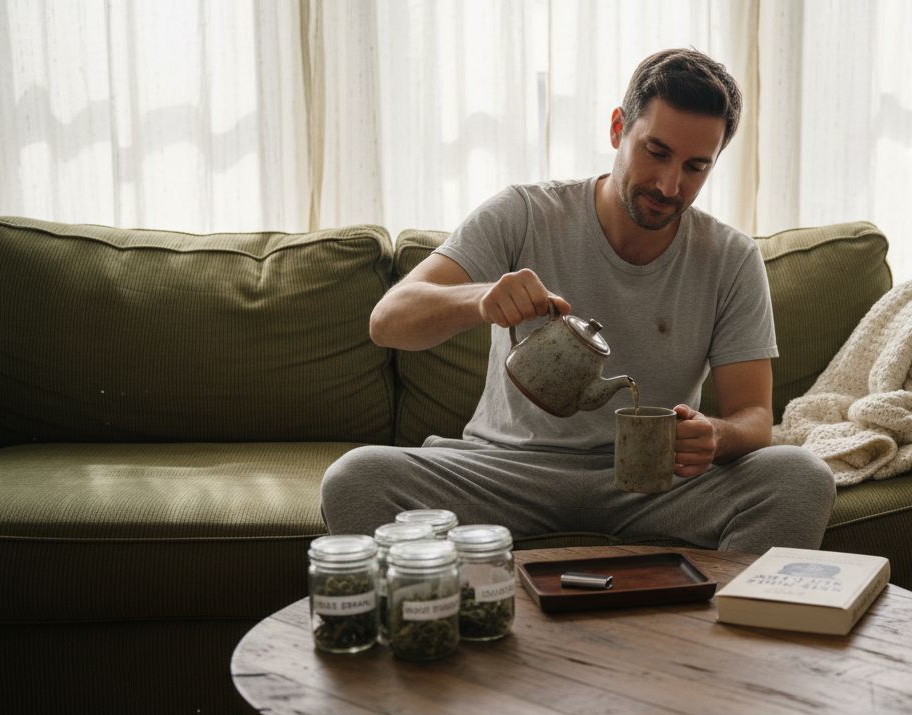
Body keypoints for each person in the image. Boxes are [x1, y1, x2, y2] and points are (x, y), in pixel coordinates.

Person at [320, 49, 834, 554]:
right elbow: (388, 321)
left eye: (696, 167)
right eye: (655, 152)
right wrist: (480, 300)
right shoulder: (522, 213)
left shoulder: (731, 258)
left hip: (652, 482)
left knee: (799, 476)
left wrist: (717, 437)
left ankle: (727, 632)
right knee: (358, 477)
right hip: (506, 472)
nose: (670, 184)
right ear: (618, 129)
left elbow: (754, 417)